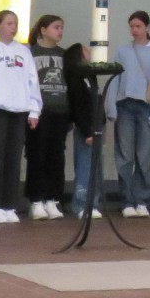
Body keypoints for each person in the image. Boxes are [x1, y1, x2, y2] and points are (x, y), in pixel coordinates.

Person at [0, 10, 39, 224]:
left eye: (16, 23)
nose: (13, 27)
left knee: (13, 158)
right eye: (9, 23)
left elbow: (32, 82)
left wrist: (34, 110)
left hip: (19, 111)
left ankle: (9, 204)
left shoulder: (24, 52)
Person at [111, 10, 150, 218]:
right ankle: (126, 200)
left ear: (147, 28)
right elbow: (115, 80)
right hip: (125, 104)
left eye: (138, 26)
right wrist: (112, 107)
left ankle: (141, 199)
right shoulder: (123, 51)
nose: (134, 30)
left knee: (143, 154)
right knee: (124, 154)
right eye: (132, 26)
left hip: (146, 106)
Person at [26, 15, 71, 219]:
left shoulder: (65, 55)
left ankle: (53, 199)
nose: (60, 31)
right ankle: (36, 200)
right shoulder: (30, 53)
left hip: (60, 112)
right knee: (37, 155)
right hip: (38, 113)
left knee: (56, 156)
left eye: (62, 28)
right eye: (56, 27)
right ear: (43, 30)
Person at [66, 41, 103, 218]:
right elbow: (78, 106)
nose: (90, 52)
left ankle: (93, 202)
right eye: (86, 51)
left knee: (96, 167)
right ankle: (81, 205)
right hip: (86, 128)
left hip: (96, 125)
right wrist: (87, 131)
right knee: (85, 166)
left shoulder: (90, 76)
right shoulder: (75, 77)